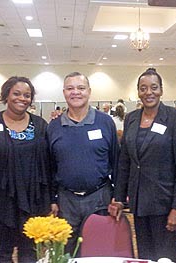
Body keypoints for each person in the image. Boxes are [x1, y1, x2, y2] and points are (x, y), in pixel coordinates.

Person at [0, 76, 57, 263]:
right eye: (16, 93)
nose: (22, 98)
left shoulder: (40, 125)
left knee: (30, 255)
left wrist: (51, 200)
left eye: (27, 95)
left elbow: (50, 167)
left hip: (34, 204)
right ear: (6, 95)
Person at [109, 68, 176, 262]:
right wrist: (119, 198)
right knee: (144, 256)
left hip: (164, 204)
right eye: (143, 88)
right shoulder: (132, 118)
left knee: (164, 258)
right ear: (138, 91)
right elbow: (124, 162)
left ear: (161, 90)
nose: (149, 92)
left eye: (154, 87)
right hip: (138, 202)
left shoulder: (175, 118)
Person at [47, 72, 119, 255]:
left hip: (99, 198)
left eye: (80, 88)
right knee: (66, 253)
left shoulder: (105, 122)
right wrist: (51, 199)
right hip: (65, 201)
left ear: (89, 91)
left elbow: (117, 161)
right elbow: (48, 167)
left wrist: (117, 196)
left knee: (98, 251)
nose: (75, 92)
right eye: (70, 88)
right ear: (64, 93)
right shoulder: (53, 127)